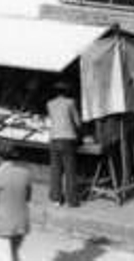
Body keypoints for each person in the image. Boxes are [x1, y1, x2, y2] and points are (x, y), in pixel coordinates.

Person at [0, 143, 33, 261]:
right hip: (22, 223)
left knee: (4, 256)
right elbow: (28, 197)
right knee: (14, 254)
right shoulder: (25, 174)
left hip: (3, 223)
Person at [46, 80, 83, 208]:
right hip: (67, 139)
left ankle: (56, 199)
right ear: (66, 91)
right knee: (70, 170)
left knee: (55, 170)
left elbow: (53, 120)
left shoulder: (49, 104)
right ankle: (71, 200)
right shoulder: (71, 102)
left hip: (54, 138)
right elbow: (77, 122)